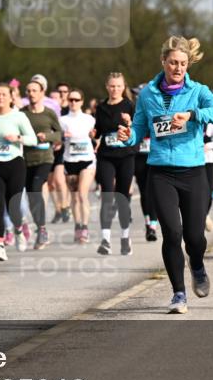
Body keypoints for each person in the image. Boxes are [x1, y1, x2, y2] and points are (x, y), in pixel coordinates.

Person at [117, 36, 213, 314]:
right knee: (172, 233)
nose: (178, 68)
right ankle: (179, 294)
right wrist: (128, 136)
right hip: (161, 172)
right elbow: (140, 128)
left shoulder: (197, 90)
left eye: (183, 63)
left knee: (195, 237)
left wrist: (192, 115)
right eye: (173, 62)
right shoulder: (148, 95)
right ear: (163, 62)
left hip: (193, 172)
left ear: (188, 65)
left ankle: (198, 265)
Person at [0, 83, 39, 260]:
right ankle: (0, 246)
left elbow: (32, 139)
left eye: (4, 94)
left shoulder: (18, 117)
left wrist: (17, 138)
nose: (0, 98)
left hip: (15, 165)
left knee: (13, 206)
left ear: (11, 98)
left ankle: (19, 231)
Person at [93, 73, 137, 256]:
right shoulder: (101, 107)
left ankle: (125, 237)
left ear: (123, 86)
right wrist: (93, 133)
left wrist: (129, 122)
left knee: (122, 196)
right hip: (106, 155)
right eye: (112, 86)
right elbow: (98, 132)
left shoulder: (130, 105)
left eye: (118, 86)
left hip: (126, 155)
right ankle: (105, 240)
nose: (115, 89)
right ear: (107, 87)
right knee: (107, 195)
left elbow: (138, 129)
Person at [22, 79, 62, 250]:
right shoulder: (21, 113)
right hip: (25, 159)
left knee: (37, 188)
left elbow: (59, 133)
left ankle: (42, 230)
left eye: (34, 90)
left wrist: (48, 137)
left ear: (41, 93)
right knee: (31, 196)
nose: (31, 93)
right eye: (28, 91)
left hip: (45, 158)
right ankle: (40, 228)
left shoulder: (49, 113)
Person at [60, 88, 97, 244]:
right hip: (69, 160)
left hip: (87, 160)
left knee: (82, 194)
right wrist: (62, 137)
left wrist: (95, 137)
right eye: (71, 100)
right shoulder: (62, 120)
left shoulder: (89, 119)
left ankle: (85, 227)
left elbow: (96, 135)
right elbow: (57, 139)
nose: (73, 103)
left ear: (82, 101)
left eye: (76, 100)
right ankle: (77, 226)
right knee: (74, 197)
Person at [131, 84, 159, 242]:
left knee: (153, 191)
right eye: (136, 94)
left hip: (154, 155)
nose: (138, 97)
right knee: (144, 191)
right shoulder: (134, 110)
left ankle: (153, 225)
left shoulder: (156, 107)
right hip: (139, 156)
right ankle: (149, 223)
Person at [50, 83, 73, 224]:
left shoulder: (68, 110)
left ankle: (65, 207)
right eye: (60, 91)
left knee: (60, 179)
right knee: (51, 183)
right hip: (49, 148)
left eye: (65, 91)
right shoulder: (48, 110)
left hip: (65, 148)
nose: (63, 94)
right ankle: (58, 209)